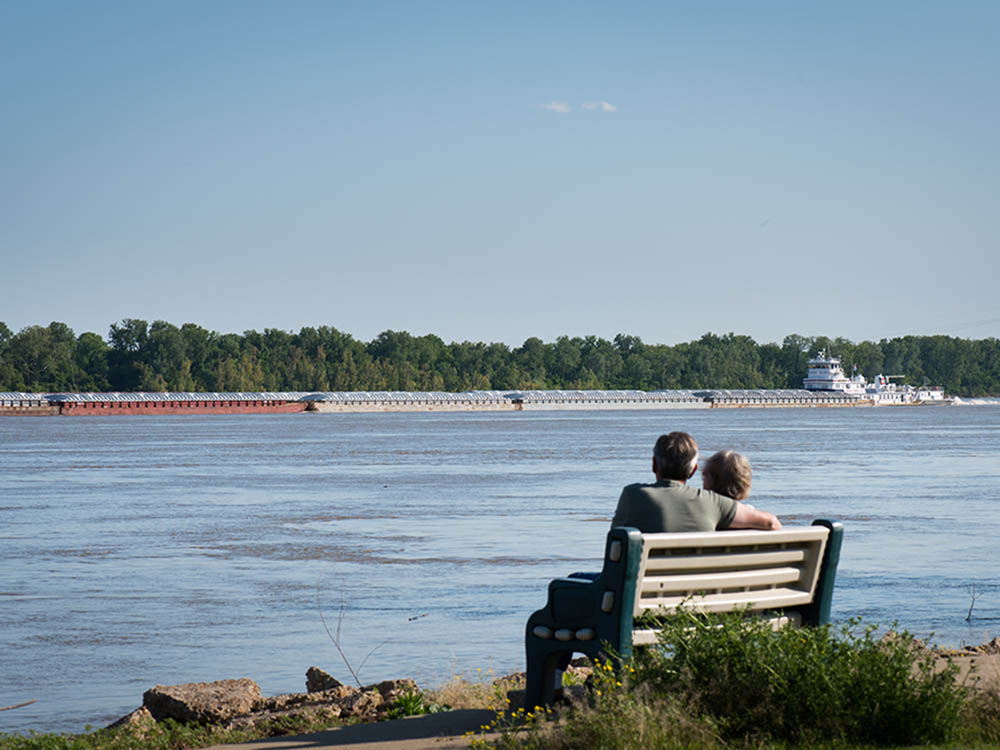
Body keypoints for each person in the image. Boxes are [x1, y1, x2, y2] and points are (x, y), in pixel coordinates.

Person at [611, 432, 780, 532]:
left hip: (643, 589)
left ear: (654, 464)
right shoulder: (713, 503)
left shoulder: (631, 495)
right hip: (699, 591)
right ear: (693, 470)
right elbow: (771, 523)